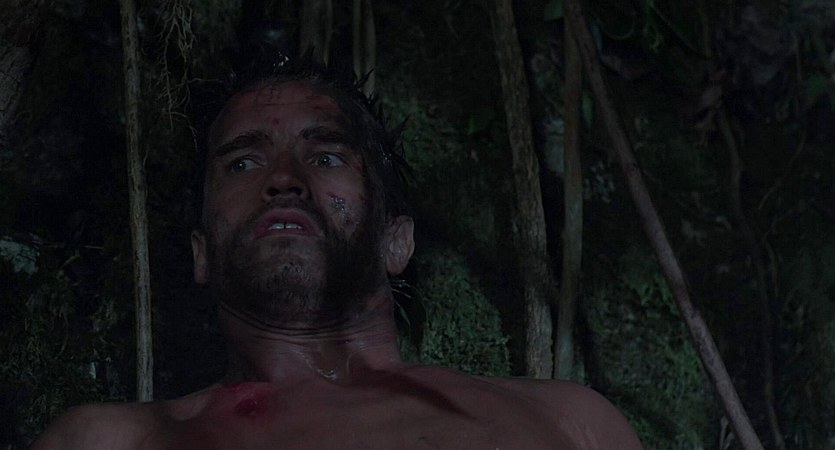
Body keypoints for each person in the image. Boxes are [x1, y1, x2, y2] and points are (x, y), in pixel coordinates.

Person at [31, 56, 642, 449]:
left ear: (395, 241)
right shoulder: (104, 442)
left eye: (325, 157)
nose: (283, 179)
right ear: (201, 253)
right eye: (243, 163)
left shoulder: (572, 423)